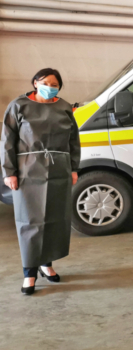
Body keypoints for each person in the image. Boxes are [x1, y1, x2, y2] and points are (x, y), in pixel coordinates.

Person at [1, 68, 80, 295]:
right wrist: (9, 172)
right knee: (29, 221)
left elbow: (74, 140)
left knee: (55, 218)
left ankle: (47, 263)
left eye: (54, 83)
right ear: (35, 83)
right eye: (45, 81)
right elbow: (8, 140)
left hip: (58, 169)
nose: (49, 86)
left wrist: (74, 167)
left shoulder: (64, 107)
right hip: (27, 170)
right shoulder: (19, 106)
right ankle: (29, 273)